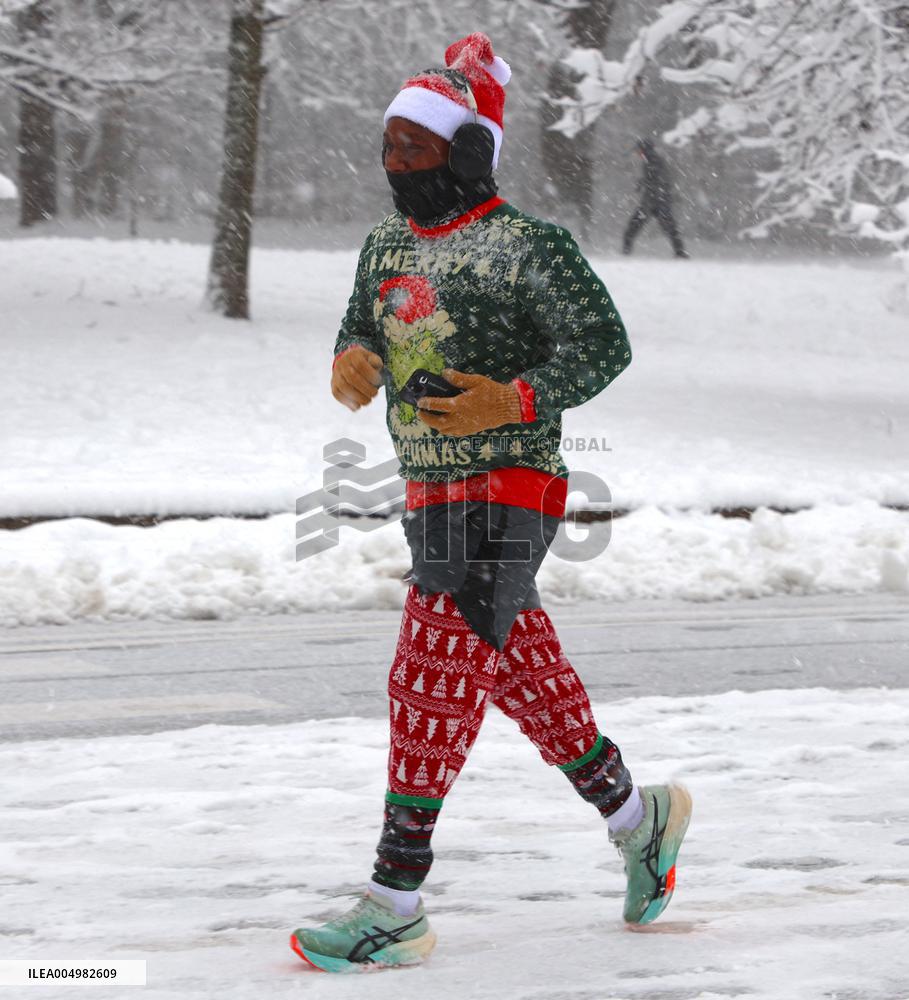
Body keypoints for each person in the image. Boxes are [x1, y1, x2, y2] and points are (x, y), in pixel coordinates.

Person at [290, 32, 692, 973]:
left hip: (514, 484)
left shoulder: (528, 248)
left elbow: (602, 347)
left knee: (426, 672)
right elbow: (364, 325)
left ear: (466, 152)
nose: (394, 164)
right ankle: (639, 819)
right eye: (387, 146)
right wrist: (351, 359)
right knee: (517, 673)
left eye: (414, 147)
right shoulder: (385, 243)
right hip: (427, 486)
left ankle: (395, 899)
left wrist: (511, 398)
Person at [622, 138, 689, 258]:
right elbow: (657, 178)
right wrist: (643, 183)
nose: (638, 153)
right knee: (670, 227)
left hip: (654, 200)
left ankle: (626, 251)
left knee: (633, 226)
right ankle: (680, 252)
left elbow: (656, 179)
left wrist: (644, 184)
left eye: (639, 150)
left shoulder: (651, 159)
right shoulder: (653, 159)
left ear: (644, 149)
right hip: (659, 199)